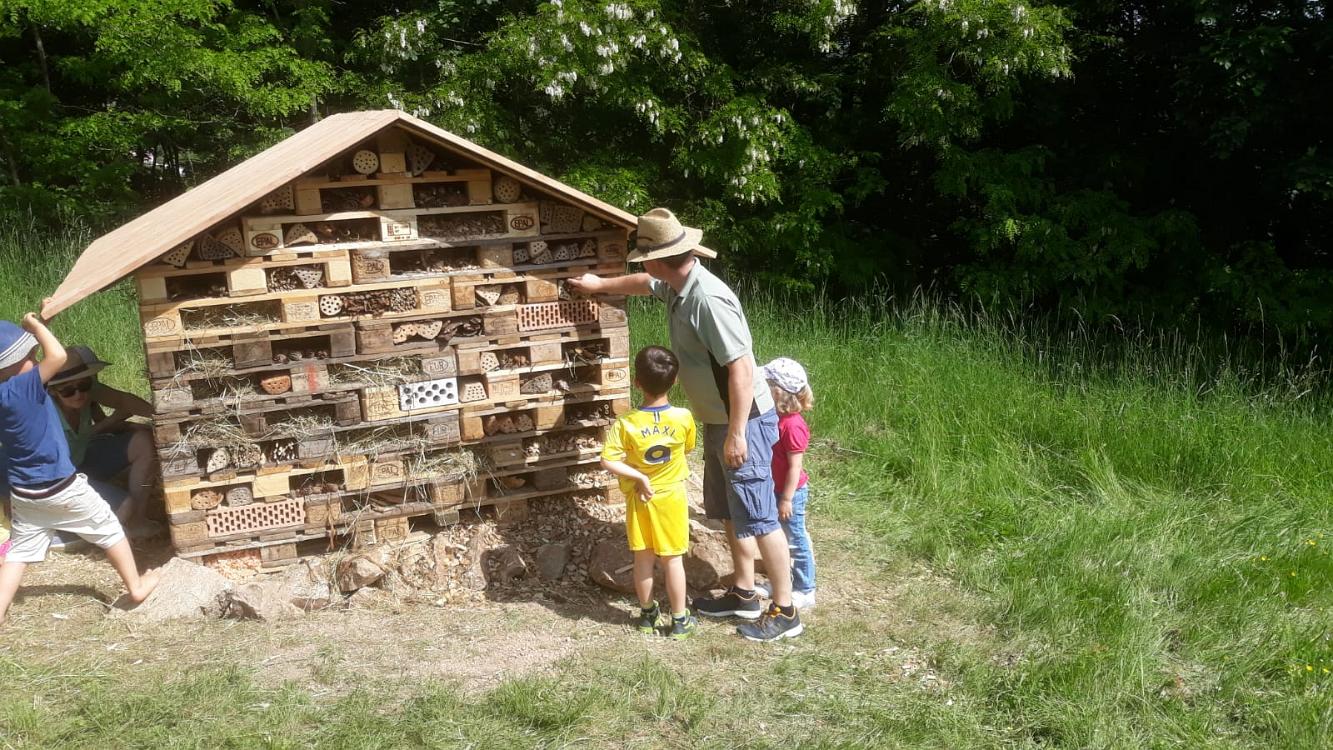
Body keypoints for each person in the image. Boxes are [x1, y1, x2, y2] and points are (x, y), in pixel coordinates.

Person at [570, 208, 802, 641]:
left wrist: (736, 433)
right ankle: (745, 592)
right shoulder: (676, 286)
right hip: (718, 419)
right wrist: (599, 286)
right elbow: (642, 284)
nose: (642, 265)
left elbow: (741, 368)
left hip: (743, 420)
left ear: (659, 258)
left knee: (759, 515)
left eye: (643, 257)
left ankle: (785, 609)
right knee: (732, 514)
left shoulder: (707, 300)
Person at [0, 313, 158, 625]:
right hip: (61, 484)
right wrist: (35, 326)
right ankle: (136, 587)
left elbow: (39, 356)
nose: (36, 358)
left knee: (18, 554)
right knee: (110, 529)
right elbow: (57, 355)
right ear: (14, 366)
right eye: (29, 356)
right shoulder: (26, 388)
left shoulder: (8, 393)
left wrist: (43, 319)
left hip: (26, 493)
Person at [600, 345, 699, 640]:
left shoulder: (627, 423)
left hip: (640, 499)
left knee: (643, 559)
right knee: (673, 560)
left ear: (637, 382)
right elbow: (688, 447)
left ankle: (647, 615)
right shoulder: (683, 417)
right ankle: (680, 620)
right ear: (675, 380)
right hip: (672, 497)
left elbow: (607, 460)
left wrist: (639, 476)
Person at [46, 346, 159, 536]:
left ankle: (138, 523)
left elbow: (125, 401)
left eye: (84, 385)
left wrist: (166, 417)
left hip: (79, 463)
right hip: (58, 480)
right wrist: (110, 423)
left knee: (143, 441)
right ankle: (68, 536)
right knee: (125, 507)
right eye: (67, 390)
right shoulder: (45, 413)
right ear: (53, 391)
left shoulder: (87, 393)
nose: (78, 394)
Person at [759, 357, 817, 609]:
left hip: (790, 493)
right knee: (779, 538)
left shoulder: (793, 426)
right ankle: (783, 581)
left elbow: (795, 467)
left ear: (778, 391)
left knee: (796, 540)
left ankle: (805, 589)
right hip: (775, 489)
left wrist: (786, 498)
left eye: (766, 384)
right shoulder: (775, 418)